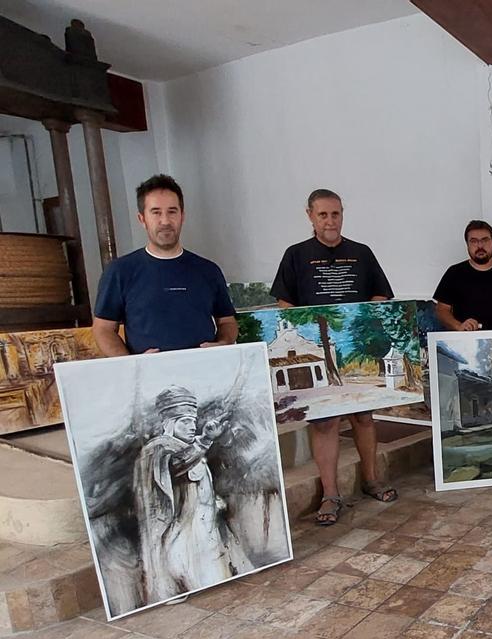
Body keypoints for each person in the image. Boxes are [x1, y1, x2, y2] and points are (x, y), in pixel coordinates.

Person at [270, 189, 397, 525]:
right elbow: (284, 302)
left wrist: (363, 318)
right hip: (314, 345)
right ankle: (330, 494)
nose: (330, 221)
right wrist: (307, 329)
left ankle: (371, 479)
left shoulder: (361, 253)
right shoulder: (295, 255)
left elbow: (382, 293)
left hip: (349, 352)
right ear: (310, 215)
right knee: (324, 421)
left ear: (343, 214)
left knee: (363, 417)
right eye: (323, 214)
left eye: (336, 214)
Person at [92, 174, 237, 356]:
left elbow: (227, 322)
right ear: (142, 219)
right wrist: (131, 365)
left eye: (172, 211)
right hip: (149, 379)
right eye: (156, 212)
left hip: (204, 376)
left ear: (182, 216)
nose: (165, 221)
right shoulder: (120, 272)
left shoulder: (209, 270)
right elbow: (103, 329)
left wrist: (223, 343)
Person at [134, 386, 250, 605]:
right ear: (169, 422)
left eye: (192, 420)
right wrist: (205, 440)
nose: (191, 426)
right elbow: (177, 466)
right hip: (179, 527)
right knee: (180, 568)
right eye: (184, 421)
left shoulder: (188, 446)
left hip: (203, 523)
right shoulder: (157, 449)